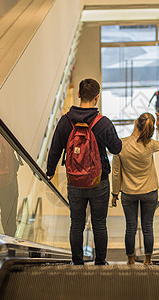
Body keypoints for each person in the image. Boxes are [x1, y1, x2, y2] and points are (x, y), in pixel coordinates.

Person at [46, 78, 122, 265]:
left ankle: (77, 262)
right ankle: (100, 262)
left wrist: (49, 172)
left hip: (74, 182)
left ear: (79, 95)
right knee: (99, 224)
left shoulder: (65, 121)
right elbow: (117, 148)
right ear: (97, 97)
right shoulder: (103, 123)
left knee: (77, 225)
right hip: (99, 181)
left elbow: (55, 150)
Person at [111, 112, 159, 265]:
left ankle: (130, 260)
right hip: (150, 191)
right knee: (148, 227)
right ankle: (148, 260)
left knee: (130, 227)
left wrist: (114, 193)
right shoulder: (150, 144)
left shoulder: (121, 145)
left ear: (136, 122)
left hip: (129, 193)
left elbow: (116, 173)